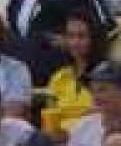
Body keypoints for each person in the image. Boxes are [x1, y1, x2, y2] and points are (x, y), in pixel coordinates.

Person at [43, 11, 109, 139]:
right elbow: (50, 118)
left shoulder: (107, 73)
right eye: (70, 36)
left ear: (94, 39)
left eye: (81, 36)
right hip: (60, 142)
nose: (75, 42)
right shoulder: (59, 77)